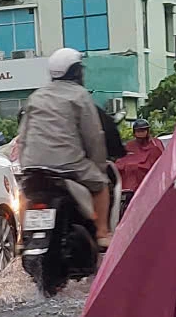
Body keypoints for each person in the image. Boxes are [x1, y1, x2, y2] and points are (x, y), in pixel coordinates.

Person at [12, 47, 115, 242]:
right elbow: (93, 136)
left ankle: (22, 238)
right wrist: (99, 166)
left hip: (33, 166)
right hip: (68, 165)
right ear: (76, 71)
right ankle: (102, 232)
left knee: (26, 192)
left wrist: (27, 165)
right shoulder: (79, 95)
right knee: (101, 185)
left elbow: (23, 136)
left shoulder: (36, 96)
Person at [117, 118, 166, 201]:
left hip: (149, 182)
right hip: (129, 185)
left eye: (143, 131)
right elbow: (122, 160)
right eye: (138, 131)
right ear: (134, 132)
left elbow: (160, 162)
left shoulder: (155, 144)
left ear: (147, 131)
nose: (141, 134)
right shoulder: (130, 145)